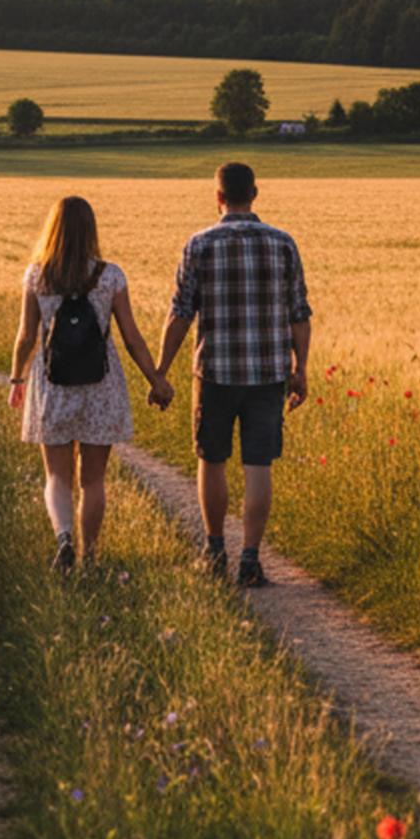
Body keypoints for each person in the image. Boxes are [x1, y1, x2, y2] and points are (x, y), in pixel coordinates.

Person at [154, 162, 312, 587]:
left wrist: (160, 372)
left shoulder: (199, 244)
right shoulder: (283, 244)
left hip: (214, 373)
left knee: (212, 459)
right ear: (255, 194)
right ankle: (250, 559)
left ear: (218, 197)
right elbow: (300, 313)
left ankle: (214, 550)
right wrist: (302, 369)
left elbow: (180, 314)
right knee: (258, 464)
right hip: (268, 373)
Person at [8, 195, 173, 570]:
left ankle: (63, 538)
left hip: (53, 385)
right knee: (93, 480)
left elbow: (26, 336)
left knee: (56, 474)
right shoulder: (110, 276)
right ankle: (90, 556)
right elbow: (132, 337)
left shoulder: (37, 275)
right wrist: (156, 379)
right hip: (101, 386)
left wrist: (16, 378)